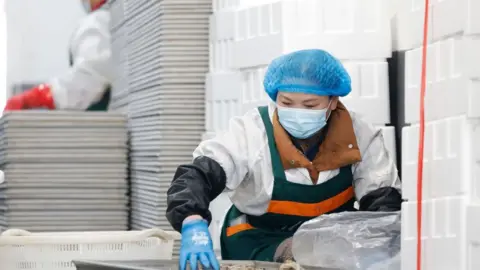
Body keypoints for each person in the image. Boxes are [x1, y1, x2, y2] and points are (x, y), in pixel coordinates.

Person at [166, 49, 402, 270]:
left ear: (332, 102)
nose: (297, 111)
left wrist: (379, 248)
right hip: (259, 239)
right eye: (286, 103)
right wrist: (192, 221)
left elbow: (382, 201)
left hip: (332, 243)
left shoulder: (359, 135)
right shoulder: (251, 132)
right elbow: (200, 174)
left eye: (310, 105)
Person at [4, 0, 112, 112]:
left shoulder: (98, 21)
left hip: (99, 123)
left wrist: (38, 96)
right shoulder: (109, 18)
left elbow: (87, 81)